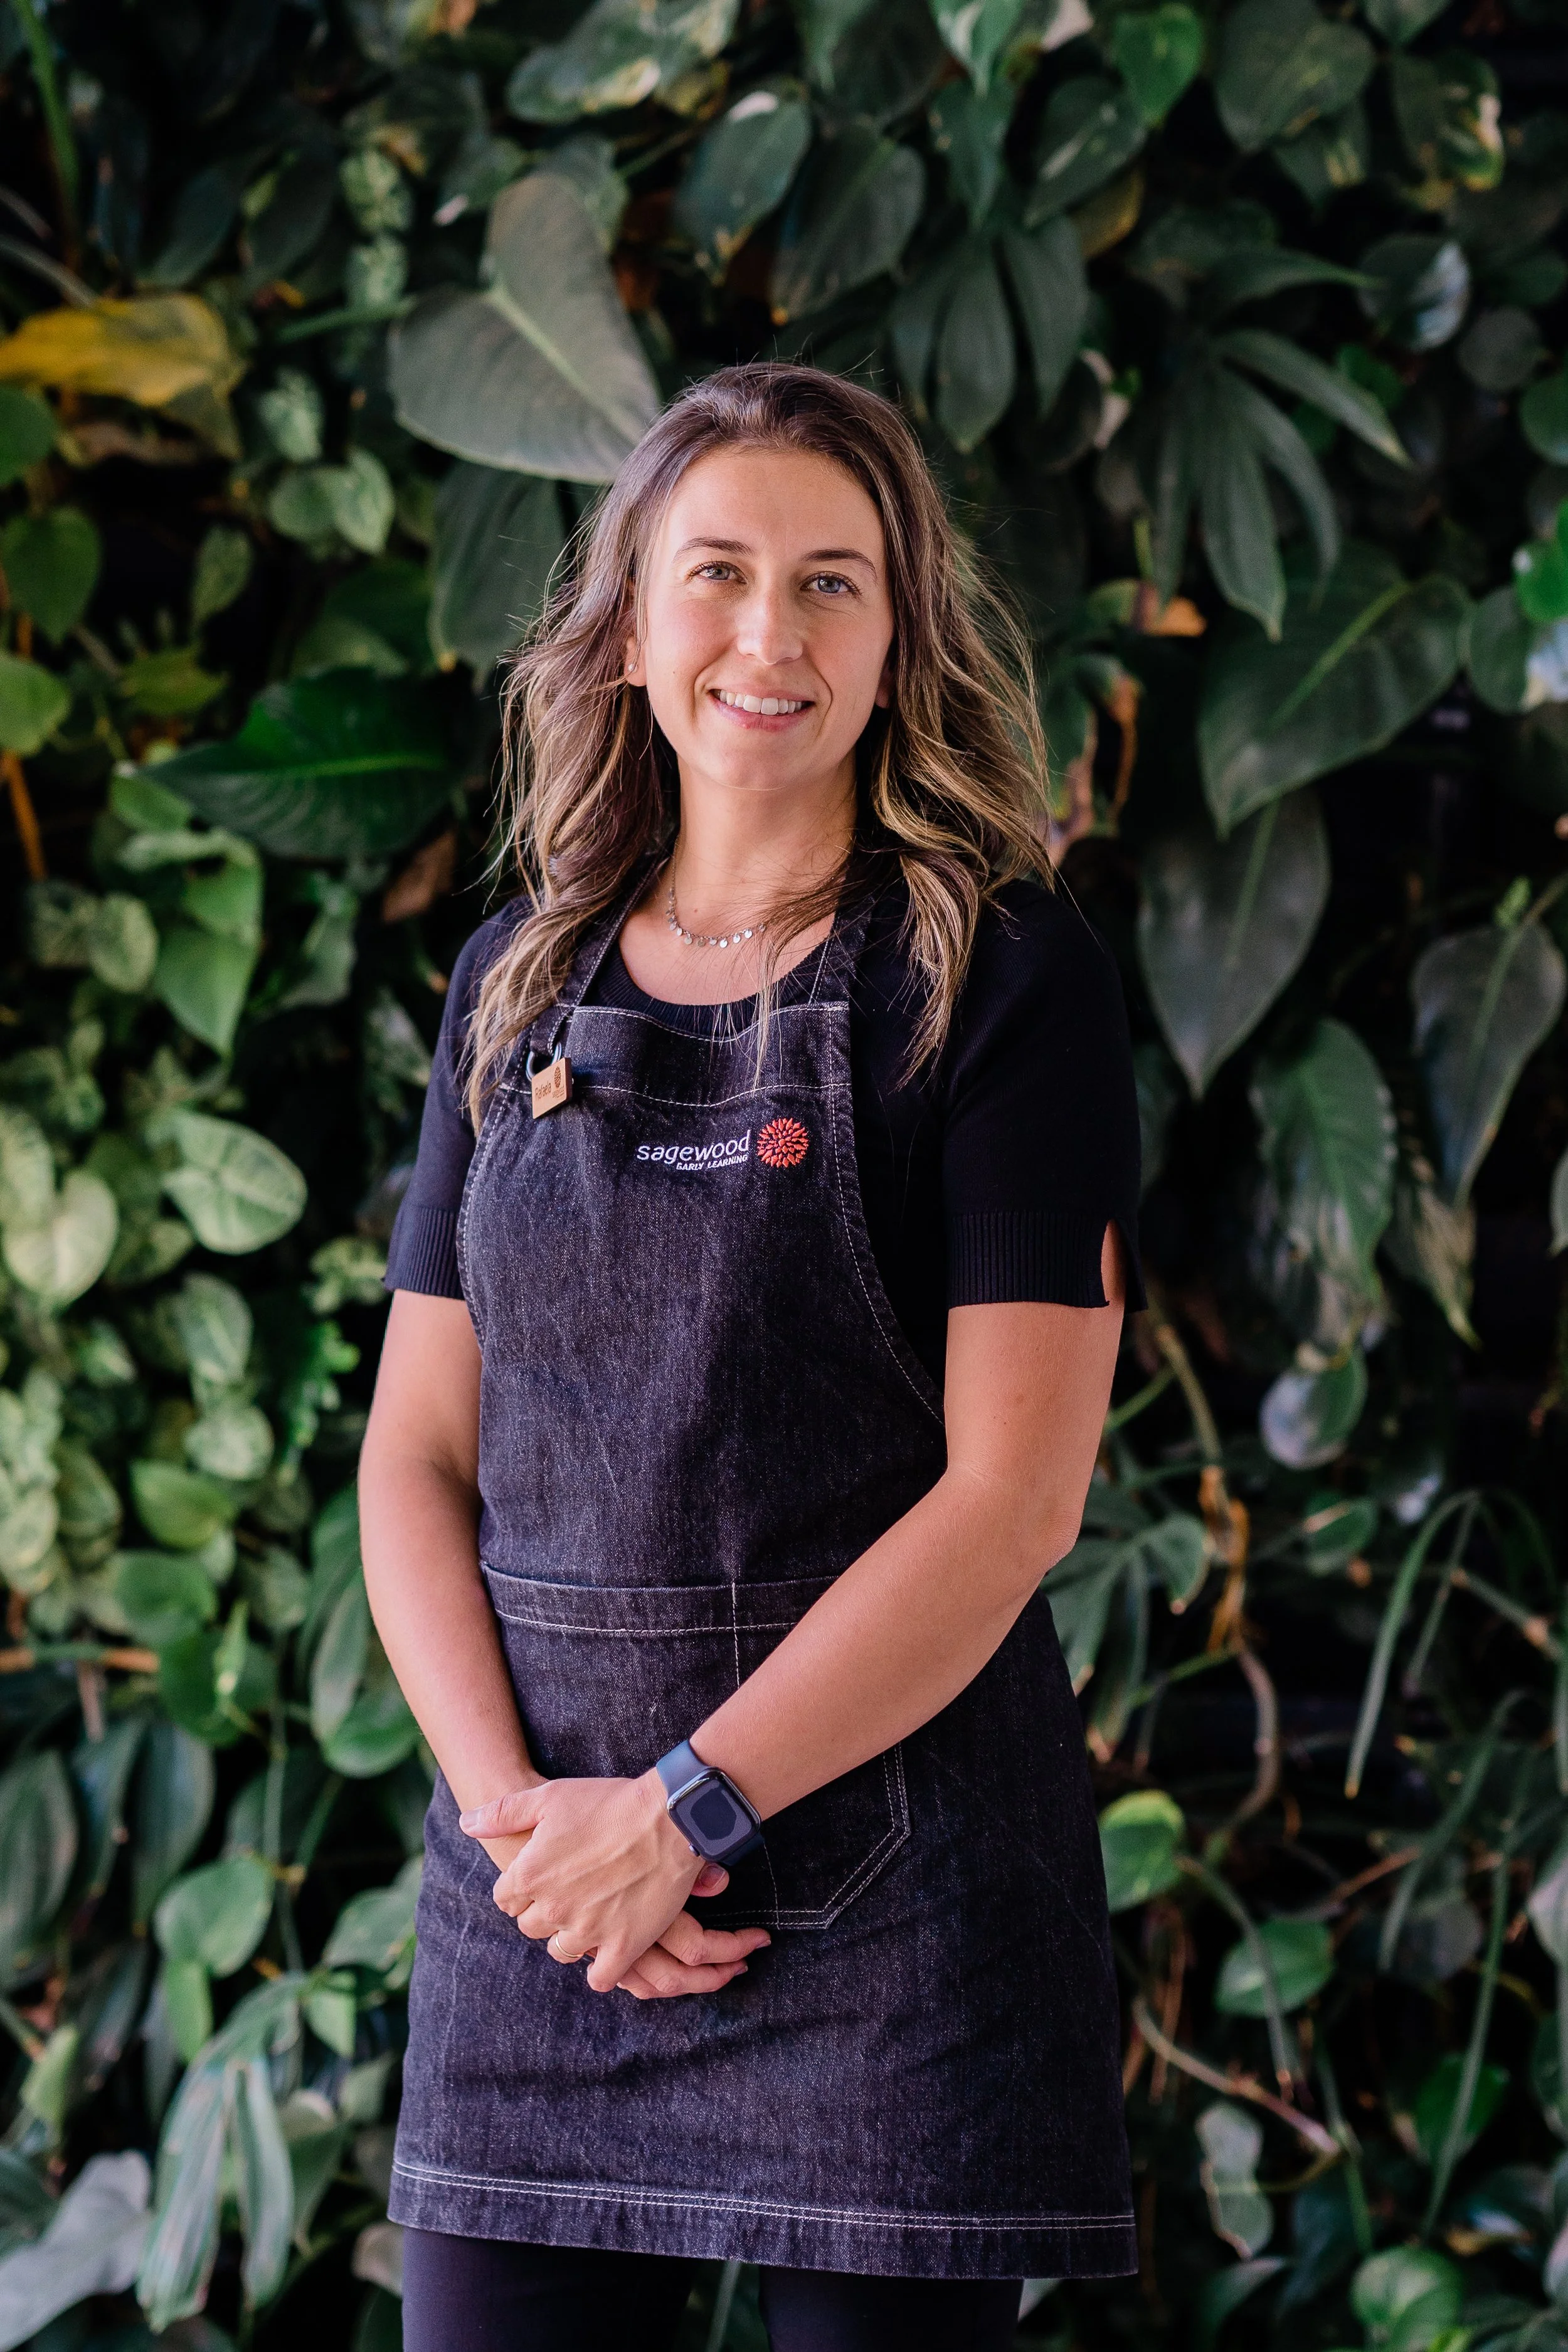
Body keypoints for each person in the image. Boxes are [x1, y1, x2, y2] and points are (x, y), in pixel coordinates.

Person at [361, 361, 1144, 2352]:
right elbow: (414, 1456)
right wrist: (525, 1829)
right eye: (715, 574)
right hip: (540, 1895)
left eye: (831, 583)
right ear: (630, 628)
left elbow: (1013, 1496)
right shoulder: (512, 975)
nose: (767, 636)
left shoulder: (998, 975)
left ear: (900, 643)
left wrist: (684, 1812)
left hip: (892, 1914)